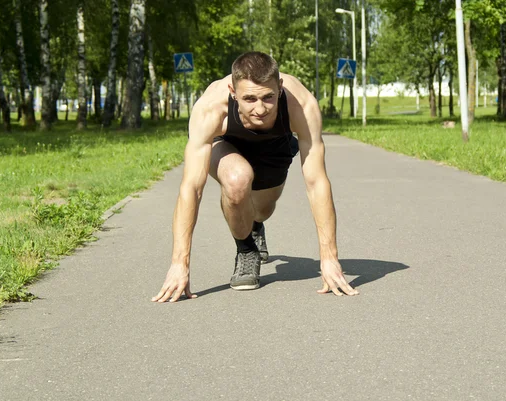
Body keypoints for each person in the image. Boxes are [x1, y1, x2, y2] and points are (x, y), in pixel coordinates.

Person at [151, 51, 359, 302]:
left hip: (276, 147)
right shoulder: (211, 108)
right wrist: (179, 264)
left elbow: (316, 182)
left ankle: (255, 225)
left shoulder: (301, 105)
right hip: (226, 144)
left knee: (261, 211)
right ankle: (246, 249)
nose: (259, 109)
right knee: (237, 181)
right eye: (249, 98)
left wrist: (329, 258)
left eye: (268, 98)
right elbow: (191, 187)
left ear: (280, 88)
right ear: (232, 90)